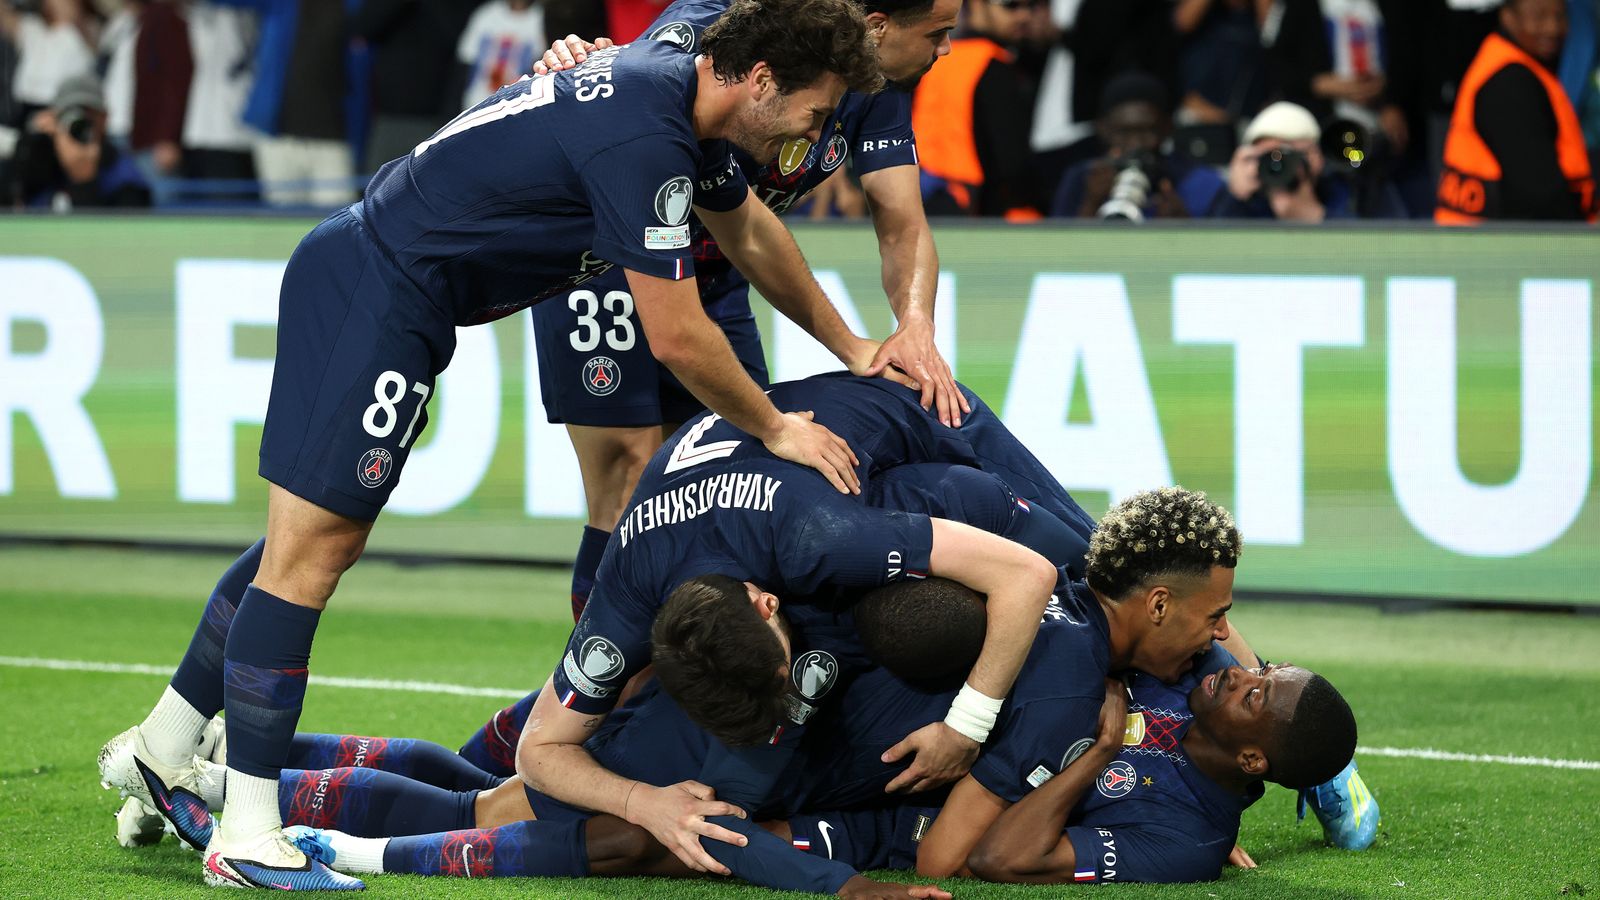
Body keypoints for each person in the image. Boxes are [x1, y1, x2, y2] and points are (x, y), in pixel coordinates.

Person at [95, 3, 894, 889]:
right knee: (311, 551)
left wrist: (854, 347)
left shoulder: (676, 107)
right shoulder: (647, 131)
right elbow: (674, 334)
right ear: (761, 81)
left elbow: (747, 232)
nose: (813, 141)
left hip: (398, 288)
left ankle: (161, 749)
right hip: (380, 285)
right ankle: (246, 833)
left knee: (309, 540)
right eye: (815, 114)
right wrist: (776, 426)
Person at [517, 374, 1098, 875]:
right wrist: (641, 802)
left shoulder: (819, 541)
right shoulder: (627, 589)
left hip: (927, 421)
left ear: (768, 603)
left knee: (1103, 580)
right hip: (787, 490)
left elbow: (1026, 575)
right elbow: (539, 749)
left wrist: (966, 729)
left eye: (781, 667)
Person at [530, 0, 964, 624]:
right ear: (875, 27)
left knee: (730, 479)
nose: (945, 49)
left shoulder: (878, 91)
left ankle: (697, 677)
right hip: (609, 258)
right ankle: (599, 687)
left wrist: (914, 324)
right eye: (938, 33)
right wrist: (578, 62)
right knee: (629, 478)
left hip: (715, 281)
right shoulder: (722, 27)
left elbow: (901, 221)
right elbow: (644, 105)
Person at [1435, 0, 1597, 223]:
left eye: (1560, 16)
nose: (1552, 28)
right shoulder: (1509, 82)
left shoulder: (1521, 64)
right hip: (1496, 247)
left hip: (1493, 242)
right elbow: (1540, 195)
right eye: (1538, 16)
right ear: (1508, 17)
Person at [911, 0, 1039, 217]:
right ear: (978, 5)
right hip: (980, 209)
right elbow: (1010, 163)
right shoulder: (996, 67)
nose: (1024, 16)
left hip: (923, 198)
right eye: (1011, 6)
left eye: (1030, 6)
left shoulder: (933, 59)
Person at [1051, 71, 1227, 219]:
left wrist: (1183, 227)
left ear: (1167, 128)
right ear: (1103, 130)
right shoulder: (1081, 178)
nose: (1135, 144)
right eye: (1123, 133)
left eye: (1147, 131)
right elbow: (1057, 252)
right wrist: (1091, 203)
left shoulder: (1201, 182)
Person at [1215, 100, 1404, 221]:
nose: (1278, 165)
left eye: (1288, 154)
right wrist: (1235, 198)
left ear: (1316, 157)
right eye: (1269, 156)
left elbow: (1387, 253)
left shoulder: (1353, 189)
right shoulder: (1247, 204)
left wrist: (1316, 217)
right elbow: (1210, 264)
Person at [7, 72, 150, 209]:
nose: (80, 123)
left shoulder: (125, 178)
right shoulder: (43, 157)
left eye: (88, 113)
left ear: (104, 118)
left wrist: (84, 181)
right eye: (69, 113)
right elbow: (12, 197)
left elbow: (119, 232)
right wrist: (30, 139)